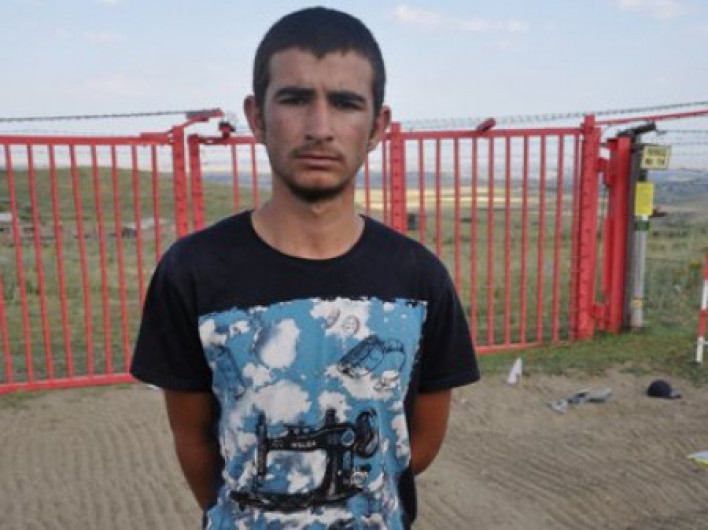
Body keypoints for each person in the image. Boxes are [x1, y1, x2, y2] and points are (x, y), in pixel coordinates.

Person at [130, 7, 479, 529]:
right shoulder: (192, 273)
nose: (320, 128)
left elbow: (419, 443)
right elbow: (195, 442)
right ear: (256, 116)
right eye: (294, 99)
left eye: (345, 103)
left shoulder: (420, 280)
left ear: (377, 126)